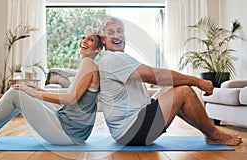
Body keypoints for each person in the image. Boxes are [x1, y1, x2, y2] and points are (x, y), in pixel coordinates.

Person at [98, 16, 242, 146]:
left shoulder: (113, 59)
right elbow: (156, 76)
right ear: (103, 39)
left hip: (127, 131)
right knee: (184, 91)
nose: (117, 35)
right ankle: (215, 135)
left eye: (119, 31)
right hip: (131, 132)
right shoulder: (114, 58)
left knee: (173, 88)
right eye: (111, 33)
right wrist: (197, 81)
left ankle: (208, 133)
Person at [0, 26, 103, 146]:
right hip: (71, 129)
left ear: (97, 49)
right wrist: (40, 90)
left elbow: (71, 99)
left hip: (68, 133)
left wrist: (32, 93)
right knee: (21, 91)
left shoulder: (88, 63)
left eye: (90, 40)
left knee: (16, 93)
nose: (84, 41)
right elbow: (76, 94)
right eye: (83, 37)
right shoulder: (88, 65)